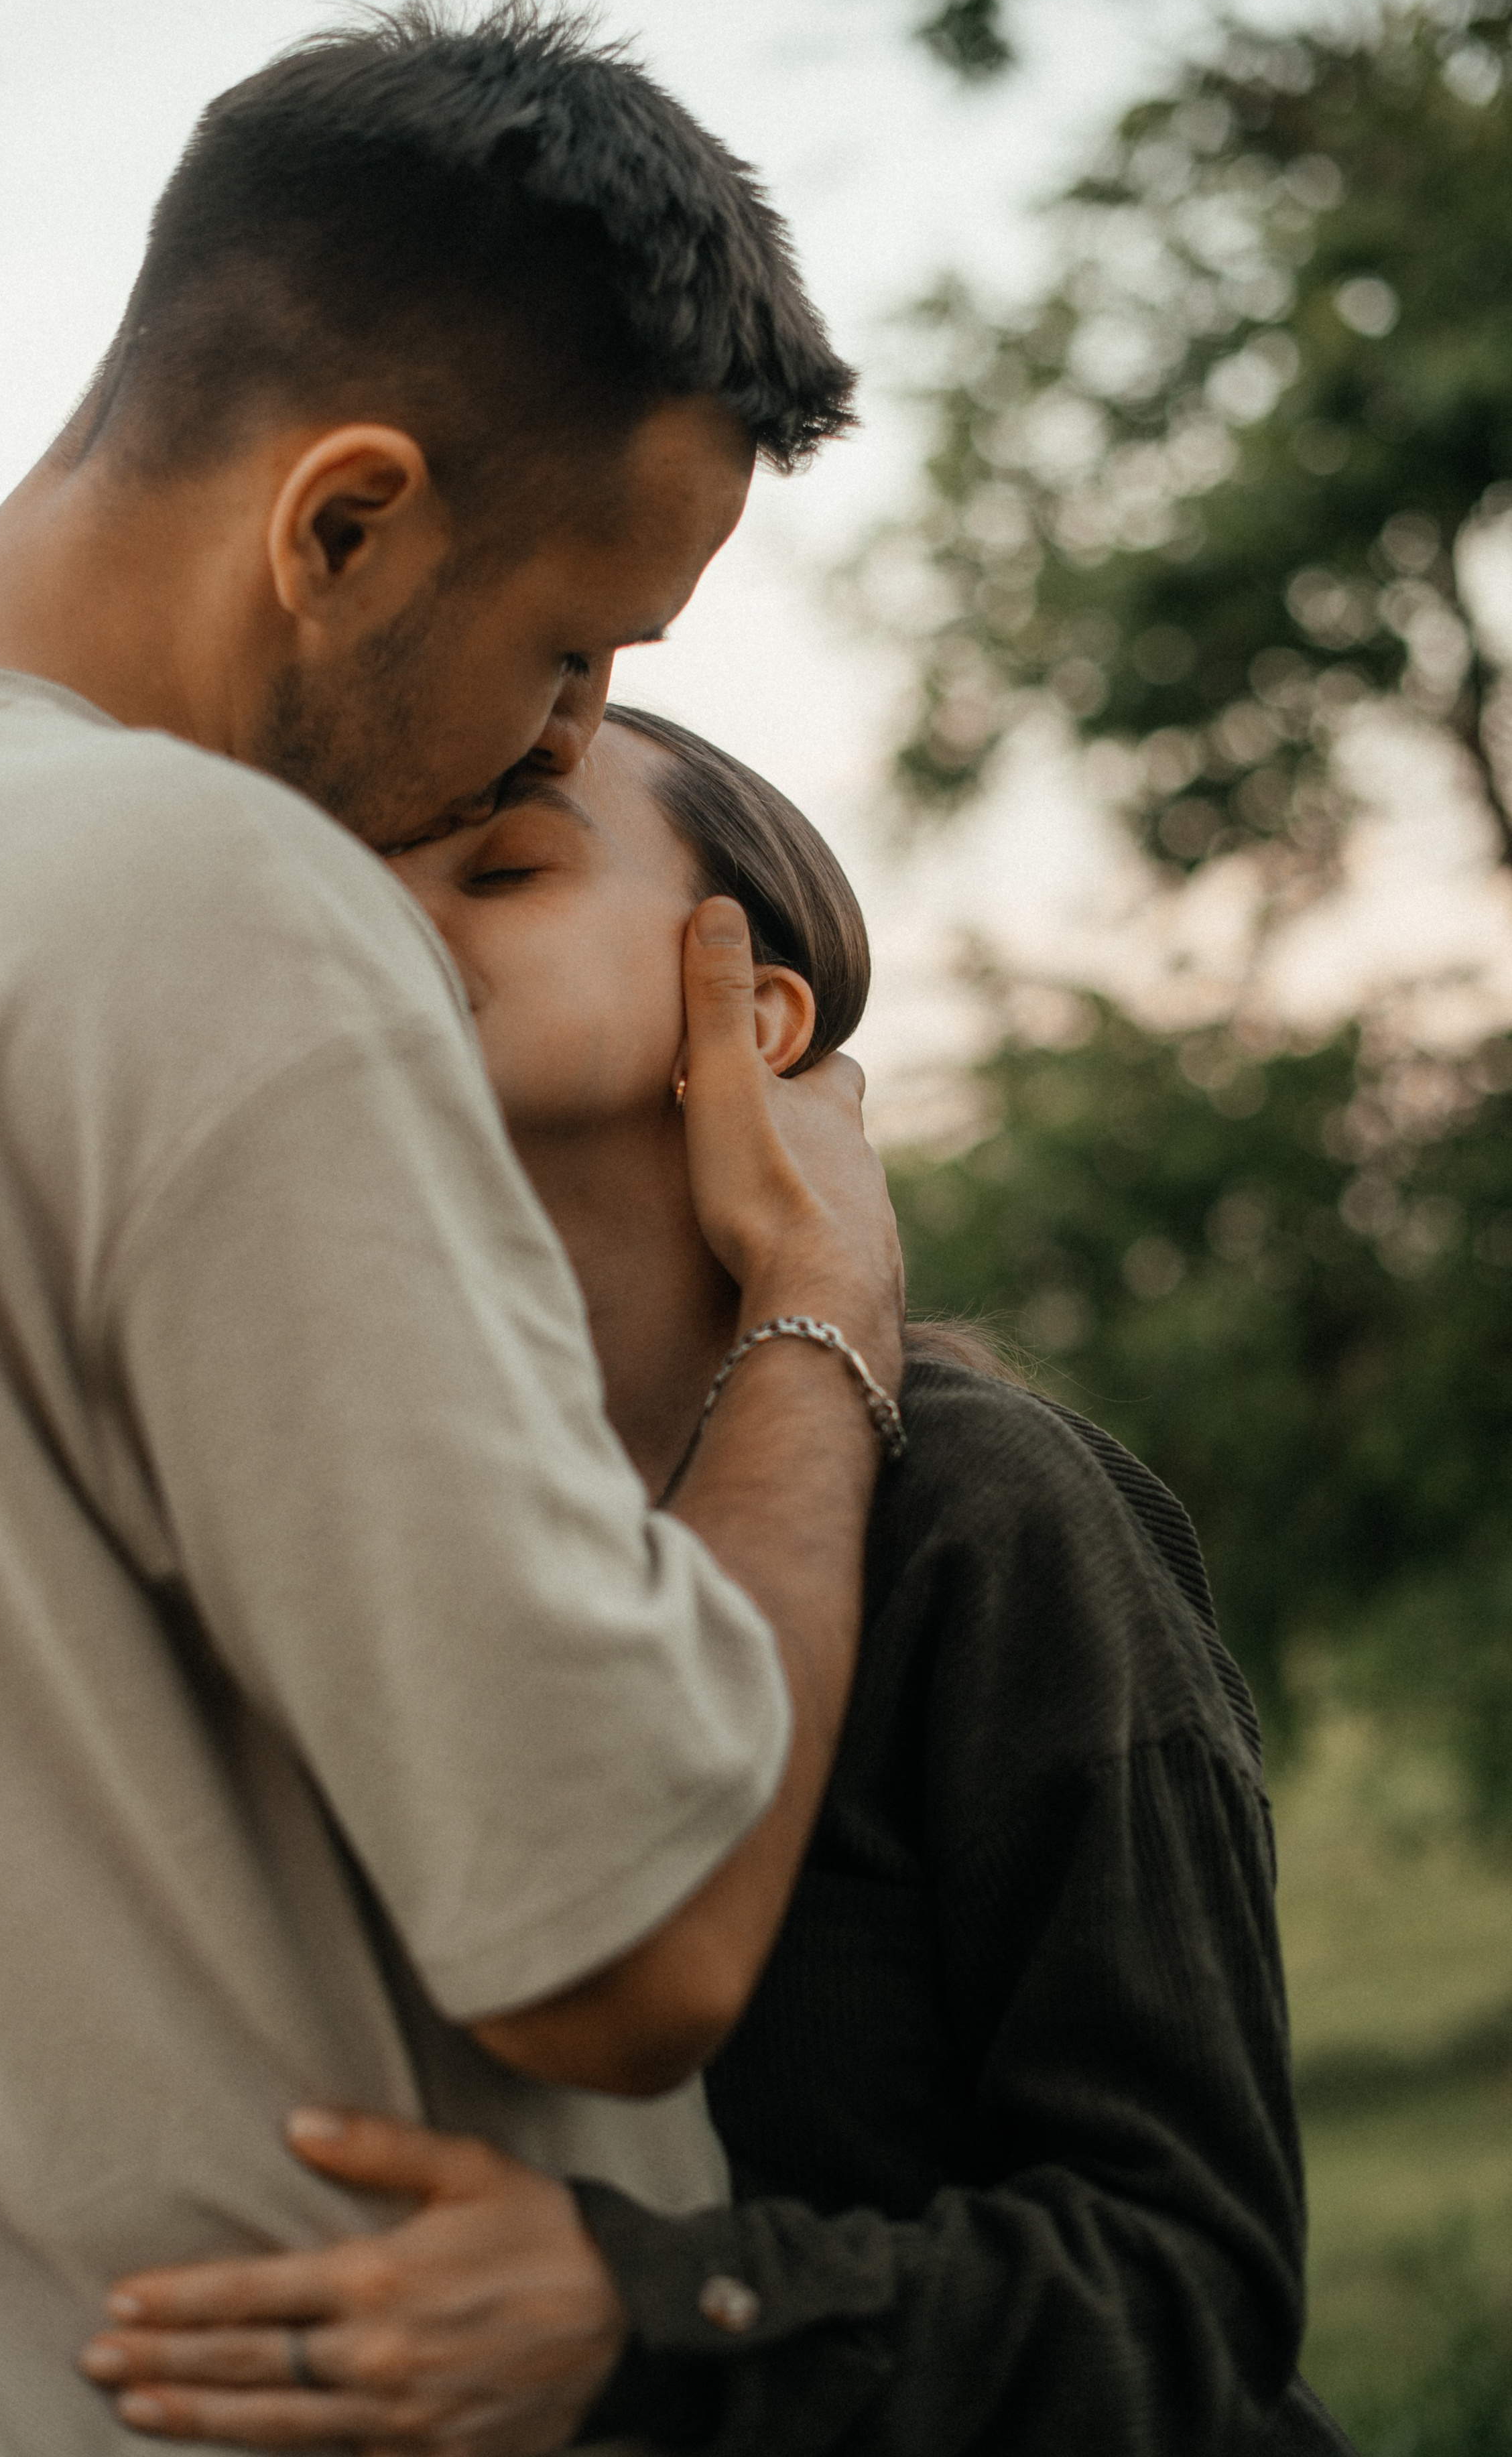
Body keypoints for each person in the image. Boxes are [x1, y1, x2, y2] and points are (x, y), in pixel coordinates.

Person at [0, 0, 908, 2455]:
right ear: (342, 523)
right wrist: (822, 1325)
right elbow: (628, 1947)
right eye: (568, 643)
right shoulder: (208, 904)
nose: (573, 731)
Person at [82, 704, 1358, 2457]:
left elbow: (1192, 2293)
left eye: (505, 864)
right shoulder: (359, 1528)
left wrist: (653, 2317)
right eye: (349, 877)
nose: (382, 920)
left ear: (748, 1018)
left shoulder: (991, 1522)